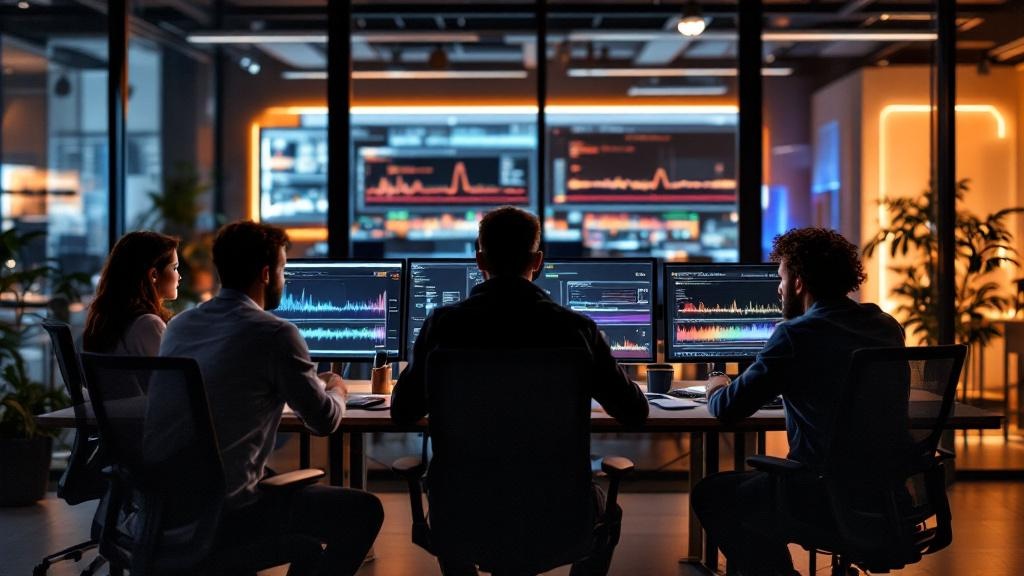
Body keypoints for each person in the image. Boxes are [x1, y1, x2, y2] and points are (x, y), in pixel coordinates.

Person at [391, 206, 649, 576]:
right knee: (610, 513)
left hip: (465, 511)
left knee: (454, 505)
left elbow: (402, 411)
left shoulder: (442, 327)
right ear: (538, 261)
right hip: (555, 511)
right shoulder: (577, 330)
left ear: (479, 258)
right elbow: (634, 412)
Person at [160, 221, 383, 576]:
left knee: (291, 509)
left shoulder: (180, 326)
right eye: (283, 268)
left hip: (168, 508)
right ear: (266, 273)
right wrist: (337, 387)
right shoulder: (274, 332)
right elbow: (324, 420)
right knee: (365, 510)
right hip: (230, 512)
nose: (284, 277)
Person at [691, 227, 905, 576]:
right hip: (887, 495)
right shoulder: (886, 326)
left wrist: (717, 384)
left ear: (800, 282)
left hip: (821, 494)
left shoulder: (795, 335)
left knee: (712, 493)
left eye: (781, 277)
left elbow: (729, 408)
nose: (777, 288)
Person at [83, 231, 180, 355]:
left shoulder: (103, 320)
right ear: (154, 275)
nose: (179, 276)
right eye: (175, 268)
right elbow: (170, 374)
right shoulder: (147, 325)